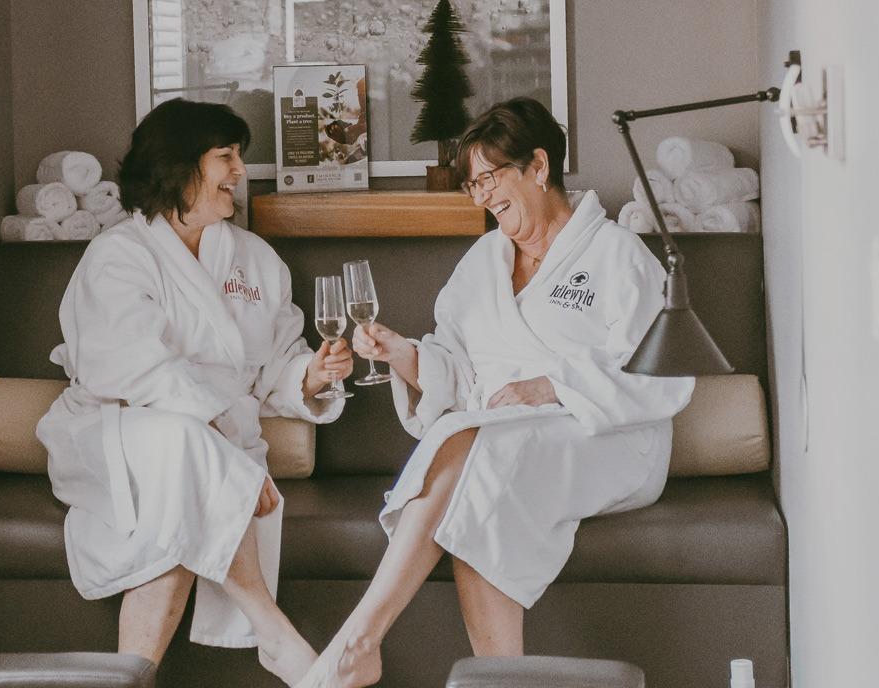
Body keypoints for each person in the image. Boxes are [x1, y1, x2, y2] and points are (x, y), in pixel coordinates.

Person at [295, 97, 697, 688]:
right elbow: (457, 368)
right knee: (480, 463)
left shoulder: (617, 254)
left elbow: (661, 373)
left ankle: (356, 645)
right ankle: (479, 675)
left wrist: (549, 387)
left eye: (489, 178)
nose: (481, 196)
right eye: (473, 184)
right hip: (501, 434)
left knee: (477, 448)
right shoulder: (483, 260)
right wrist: (404, 354)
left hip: (608, 435)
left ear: (538, 166)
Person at [35, 98, 353, 684]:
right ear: (178, 166)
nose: (240, 171)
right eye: (225, 156)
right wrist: (223, 453)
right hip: (116, 431)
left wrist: (311, 376)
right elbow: (136, 368)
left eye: (239, 157)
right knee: (185, 448)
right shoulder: (119, 255)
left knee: (177, 504)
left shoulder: (257, 260)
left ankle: (131, 679)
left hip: (204, 444)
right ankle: (271, 627)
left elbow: (275, 365)